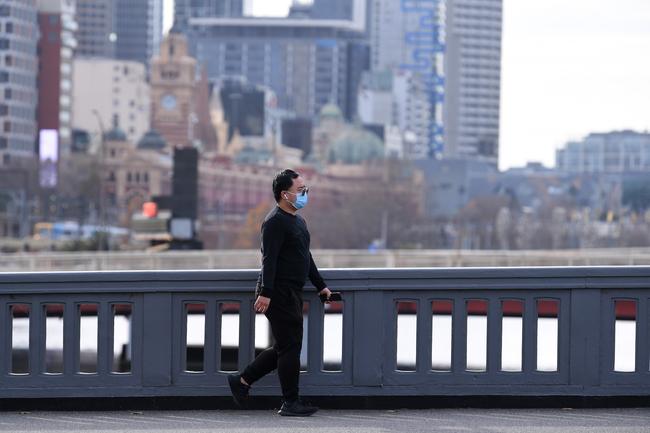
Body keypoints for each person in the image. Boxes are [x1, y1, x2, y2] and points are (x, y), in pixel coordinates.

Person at [228, 169, 332, 417]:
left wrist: (321, 285)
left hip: (291, 292)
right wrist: (266, 293)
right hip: (278, 293)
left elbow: (305, 257)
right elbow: (269, 260)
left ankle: (242, 381)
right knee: (290, 347)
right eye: (301, 190)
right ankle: (290, 402)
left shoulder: (298, 221)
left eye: (306, 189)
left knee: (285, 346)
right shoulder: (274, 222)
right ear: (285, 194)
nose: (305, 194)